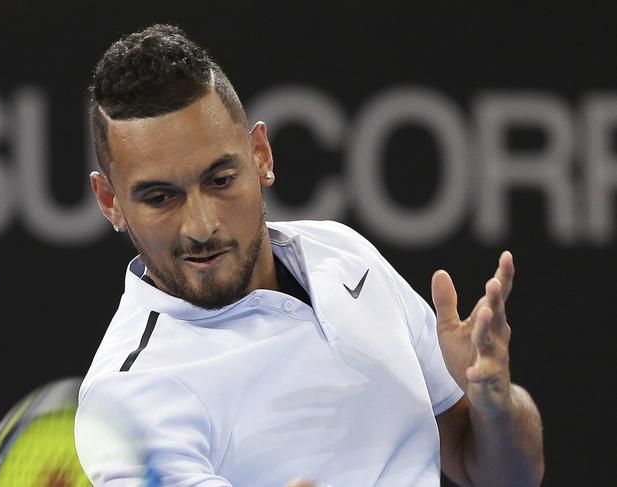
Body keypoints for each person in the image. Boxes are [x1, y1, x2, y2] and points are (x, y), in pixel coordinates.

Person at [74, 24, 545, 487]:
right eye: (160, 198)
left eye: (220, 181)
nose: (201, 226)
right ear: (110, 201)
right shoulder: (128, 397)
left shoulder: (344, 254)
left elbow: (505, 475)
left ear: (260, 154)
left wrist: (495, 407)